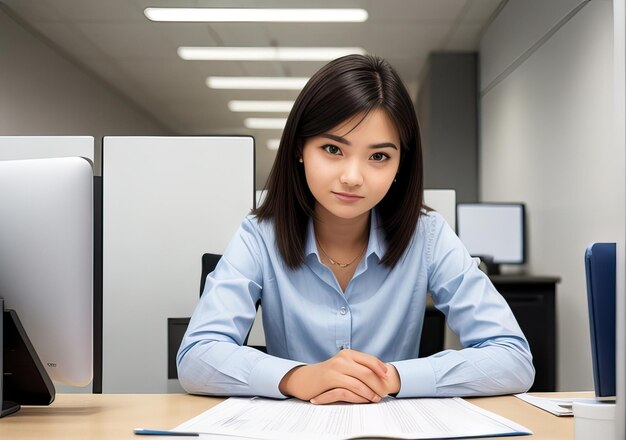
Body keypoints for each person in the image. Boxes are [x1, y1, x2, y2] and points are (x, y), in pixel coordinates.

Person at [177, 54, 534, 405]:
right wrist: (298, 377)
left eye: (378, 156)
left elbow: (513, 358)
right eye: (333, 148)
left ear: (400, 165)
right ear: (300, 148)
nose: (352, 177)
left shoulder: (427, 235)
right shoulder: (260, 234)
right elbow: (196, 358)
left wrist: (390, 378)